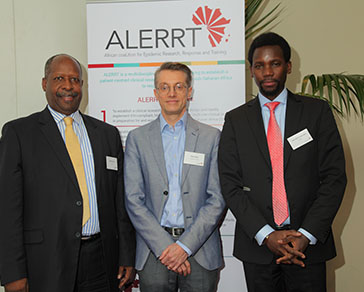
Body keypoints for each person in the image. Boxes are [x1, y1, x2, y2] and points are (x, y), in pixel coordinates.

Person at [0, 54, 135, 292]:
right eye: (59, 78)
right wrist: (12, 273)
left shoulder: (107, 134)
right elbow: (6, 212)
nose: (68, 86)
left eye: (75, 79)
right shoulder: (19, 134)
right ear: (44, 83)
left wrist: (126, 255)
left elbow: (119, 202)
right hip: (46, 262)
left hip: (101, 260)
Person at [218, 32, 347, 292]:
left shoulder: (316, 112)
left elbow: (334, 178)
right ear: (251, 70)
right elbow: (230, 184)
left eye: (274, 63)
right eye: (259, 65)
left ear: (288, 66)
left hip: (308, 248)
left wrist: (306, 235)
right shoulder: (236, 120)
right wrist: (266, 234)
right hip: (258, 247)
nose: (267, 72)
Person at [124, 62, 225, 292]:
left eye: (179, 86)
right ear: (155, 93)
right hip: (154, 252)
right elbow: (133, 200)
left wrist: (184, 247)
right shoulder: (137, 139)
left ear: (189, 92)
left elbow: (217, 198)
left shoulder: (211, 138)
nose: (171, 93)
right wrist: (165, 247)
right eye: (164, 87)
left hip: (199, 251)